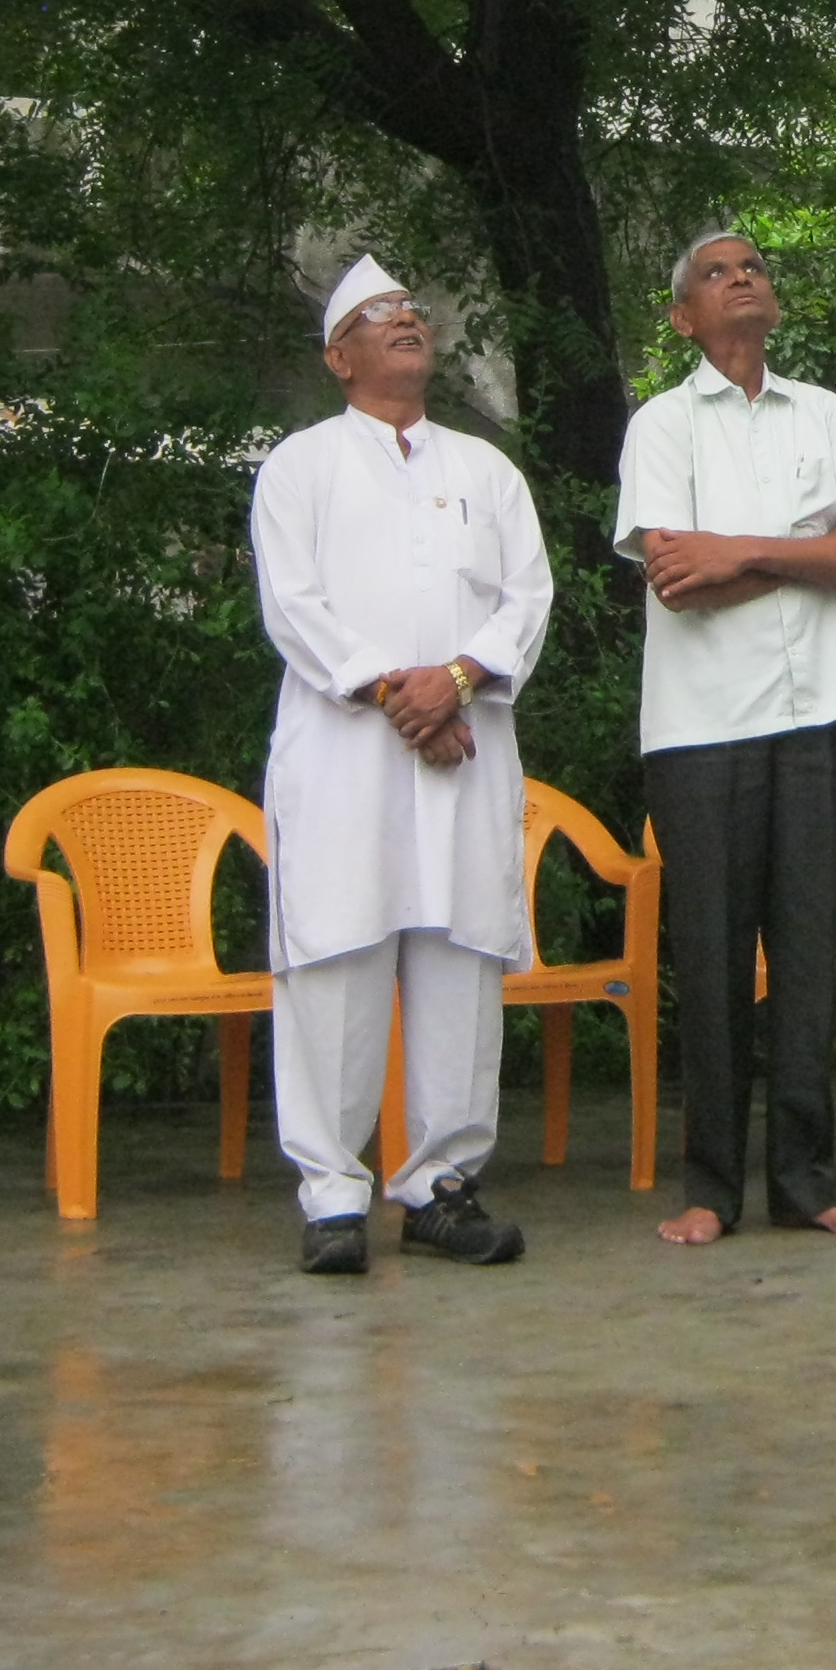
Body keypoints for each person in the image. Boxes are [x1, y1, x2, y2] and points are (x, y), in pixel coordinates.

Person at [250, 257, 555, 1277]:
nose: (406, 320)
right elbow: (294, 605)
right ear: (339, 358)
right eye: (379, 316)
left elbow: (528, 596)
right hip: (345, 757)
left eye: (413, 311)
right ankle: (333, 1197)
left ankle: (440, 1187)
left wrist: (459, 680)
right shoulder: (300, 465)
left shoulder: (486, 469)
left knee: (461, 956)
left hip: (467, 749)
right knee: (335, 957)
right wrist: (402, 697)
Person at [613, 230, 836, 1248]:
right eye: (716, 272)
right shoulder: (661, 424)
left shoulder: (824, 413)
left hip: (816, 714)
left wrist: (739, 551)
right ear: (683, 316)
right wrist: (809, 552)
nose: (743, 278)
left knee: (808, 955)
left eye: (754, 268)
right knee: (713, 955)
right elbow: (677, 581)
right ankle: (710, 1187)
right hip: (699, 727)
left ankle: (807, 1184)